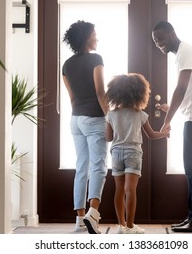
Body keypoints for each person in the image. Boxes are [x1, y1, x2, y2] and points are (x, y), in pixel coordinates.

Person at [152, 21, 192, 232]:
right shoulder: (182, 53)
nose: (158, 44)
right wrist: (171, 108)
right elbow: (189, 90)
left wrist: (167, 119)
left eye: (161, 38)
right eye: (155, 41)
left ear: (172, 34)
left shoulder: (185, 52)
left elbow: (181, 87)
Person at [105, 73, 170, 234]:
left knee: (119, 190)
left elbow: (108, 137)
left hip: (116, 153)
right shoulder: (140, 114)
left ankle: (121, 225)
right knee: (130, 190)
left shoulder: (111, 114)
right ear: (140, 93)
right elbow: (152, 135)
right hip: (133, 153)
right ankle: (131, 226)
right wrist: (165, 133)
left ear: (115, 93)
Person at [62, 20, 108, 234]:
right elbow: (100, 92)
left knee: (81, 166)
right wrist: (110, 117)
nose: (96, 37)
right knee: (98, 166)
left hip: (76, 119)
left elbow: (72, 97)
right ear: (86, 37)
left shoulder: (67, 65)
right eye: (94, 34)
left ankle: (80, 218)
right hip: (94, 118)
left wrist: (80, 112)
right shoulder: (96, 59)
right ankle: (93, 214)